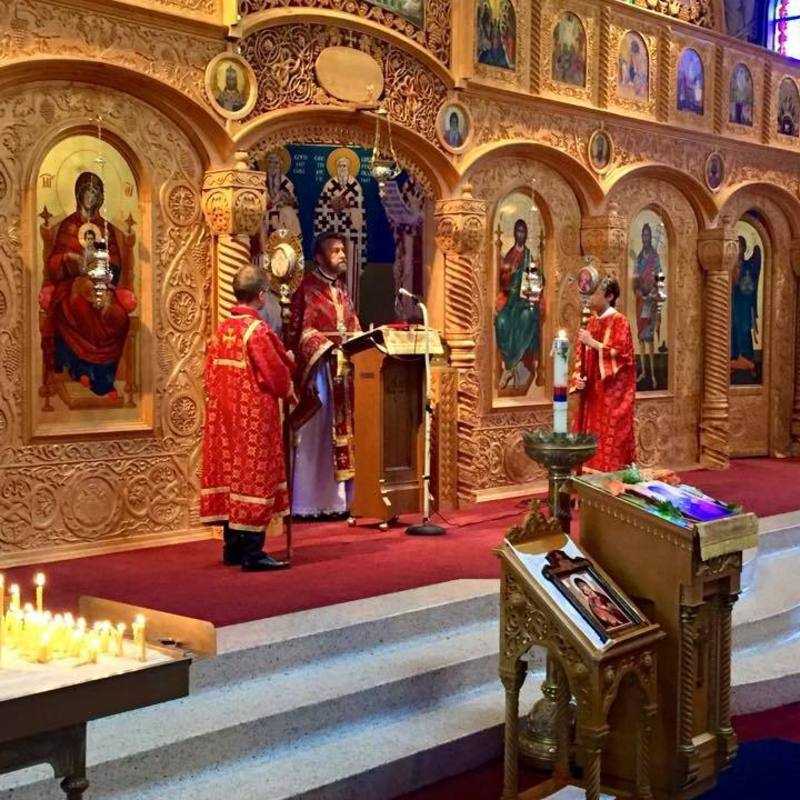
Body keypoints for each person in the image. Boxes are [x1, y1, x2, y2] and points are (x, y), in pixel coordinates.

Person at [201, 265, 295, 571]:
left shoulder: (221, 331)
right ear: (261, 295)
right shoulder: (257, 332)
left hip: (224, 420)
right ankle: (253, 553)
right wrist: (290, 366)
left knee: (231, 479)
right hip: (253, 420)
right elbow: (277, 378)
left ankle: (233, 548)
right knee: (254, 478)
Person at [42, 172, 136, 399]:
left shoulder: (105, 228)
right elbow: (53, 265)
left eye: (95, 193)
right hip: (71, 285)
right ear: (79, 193)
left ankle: (102, 375)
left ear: (100, 197)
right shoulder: (68, 225)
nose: (90, 197)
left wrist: (102, 267)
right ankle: (82, 371)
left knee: (118, 317)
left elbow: (115, 264)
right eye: (87, 191)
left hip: (102, 285)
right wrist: (69, 259)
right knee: (78, 303)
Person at [287, 232, 361, 517]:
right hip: (319, 375)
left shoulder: (341, 289)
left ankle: (340, 502)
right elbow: (298, 331)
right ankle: (311, 503)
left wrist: (360, 339)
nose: (342, 255)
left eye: (343, 250)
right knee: (317, 438)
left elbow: (351, 323)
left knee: (344, 433)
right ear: (319, 257)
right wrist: (326, 348)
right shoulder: (306, 288)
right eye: (336, 251)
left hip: (344, 372)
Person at [571, 277, 636, 472]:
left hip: (612, 394)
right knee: (589, 438)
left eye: (595, 293)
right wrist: (578, 378)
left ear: (609, 296)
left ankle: (609, 489)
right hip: (592, 393)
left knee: (610, 440)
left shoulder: (620, 321)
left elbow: (622, 355)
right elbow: (580, 355)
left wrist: (593, 343)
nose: (590, 298)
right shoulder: (590, 321)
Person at [494, 219, 544, 390]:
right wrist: (509, 275)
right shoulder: (509, 255)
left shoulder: (530, 256)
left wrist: (535, 282)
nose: (521, 235)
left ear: (526, 234)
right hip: (511, 301)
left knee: (527, 316)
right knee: (501, 321)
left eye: (523, 231)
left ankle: (514, 364)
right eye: (518, 231)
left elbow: (537, 281)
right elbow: (502, 279)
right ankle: (508, 365)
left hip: (526, 302)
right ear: (515, 234)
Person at [632, 223, 661, 387]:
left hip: (650, 300)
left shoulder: (655, 257)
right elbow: (635, 277)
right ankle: (643, 371)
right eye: (643, 235)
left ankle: (653, 372)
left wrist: (653, 293)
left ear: (650, 237)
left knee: (649, 338)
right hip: (640, 300)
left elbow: (659, 277)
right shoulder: (639, 257)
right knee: (641, 337)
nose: (645, 238)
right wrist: (637, 290)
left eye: (648, 235)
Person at [730, 235, 761, 373]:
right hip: (732, 303)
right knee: (732, 329)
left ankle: (748, 360)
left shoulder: (748, 266)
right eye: (735, 247)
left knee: (743, 329)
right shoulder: (729, 266)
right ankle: (734, 358)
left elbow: (748, 287)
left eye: (740, 247)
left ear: (743, 249)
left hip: (744, 305)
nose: (738, 250)